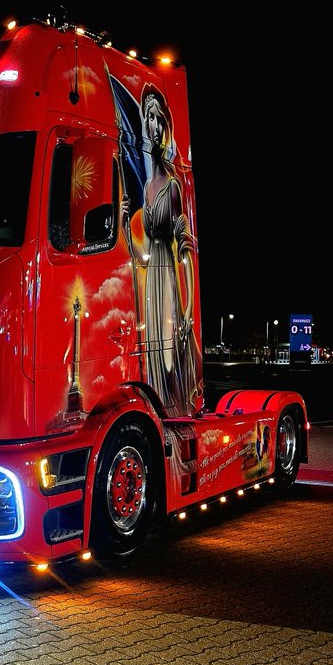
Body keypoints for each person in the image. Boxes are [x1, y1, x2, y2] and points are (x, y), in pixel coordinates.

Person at [136, 85, 201, 416]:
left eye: (159, 118)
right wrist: (124, 225)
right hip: (152, 281)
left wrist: (188, 308)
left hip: (169, 279)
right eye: (149, 118)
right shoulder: (147, 188)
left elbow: (185, 249)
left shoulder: (173, 186)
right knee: (154, 359)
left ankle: (176, 410)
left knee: (170, 357)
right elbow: (143, 251)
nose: (154, 125)